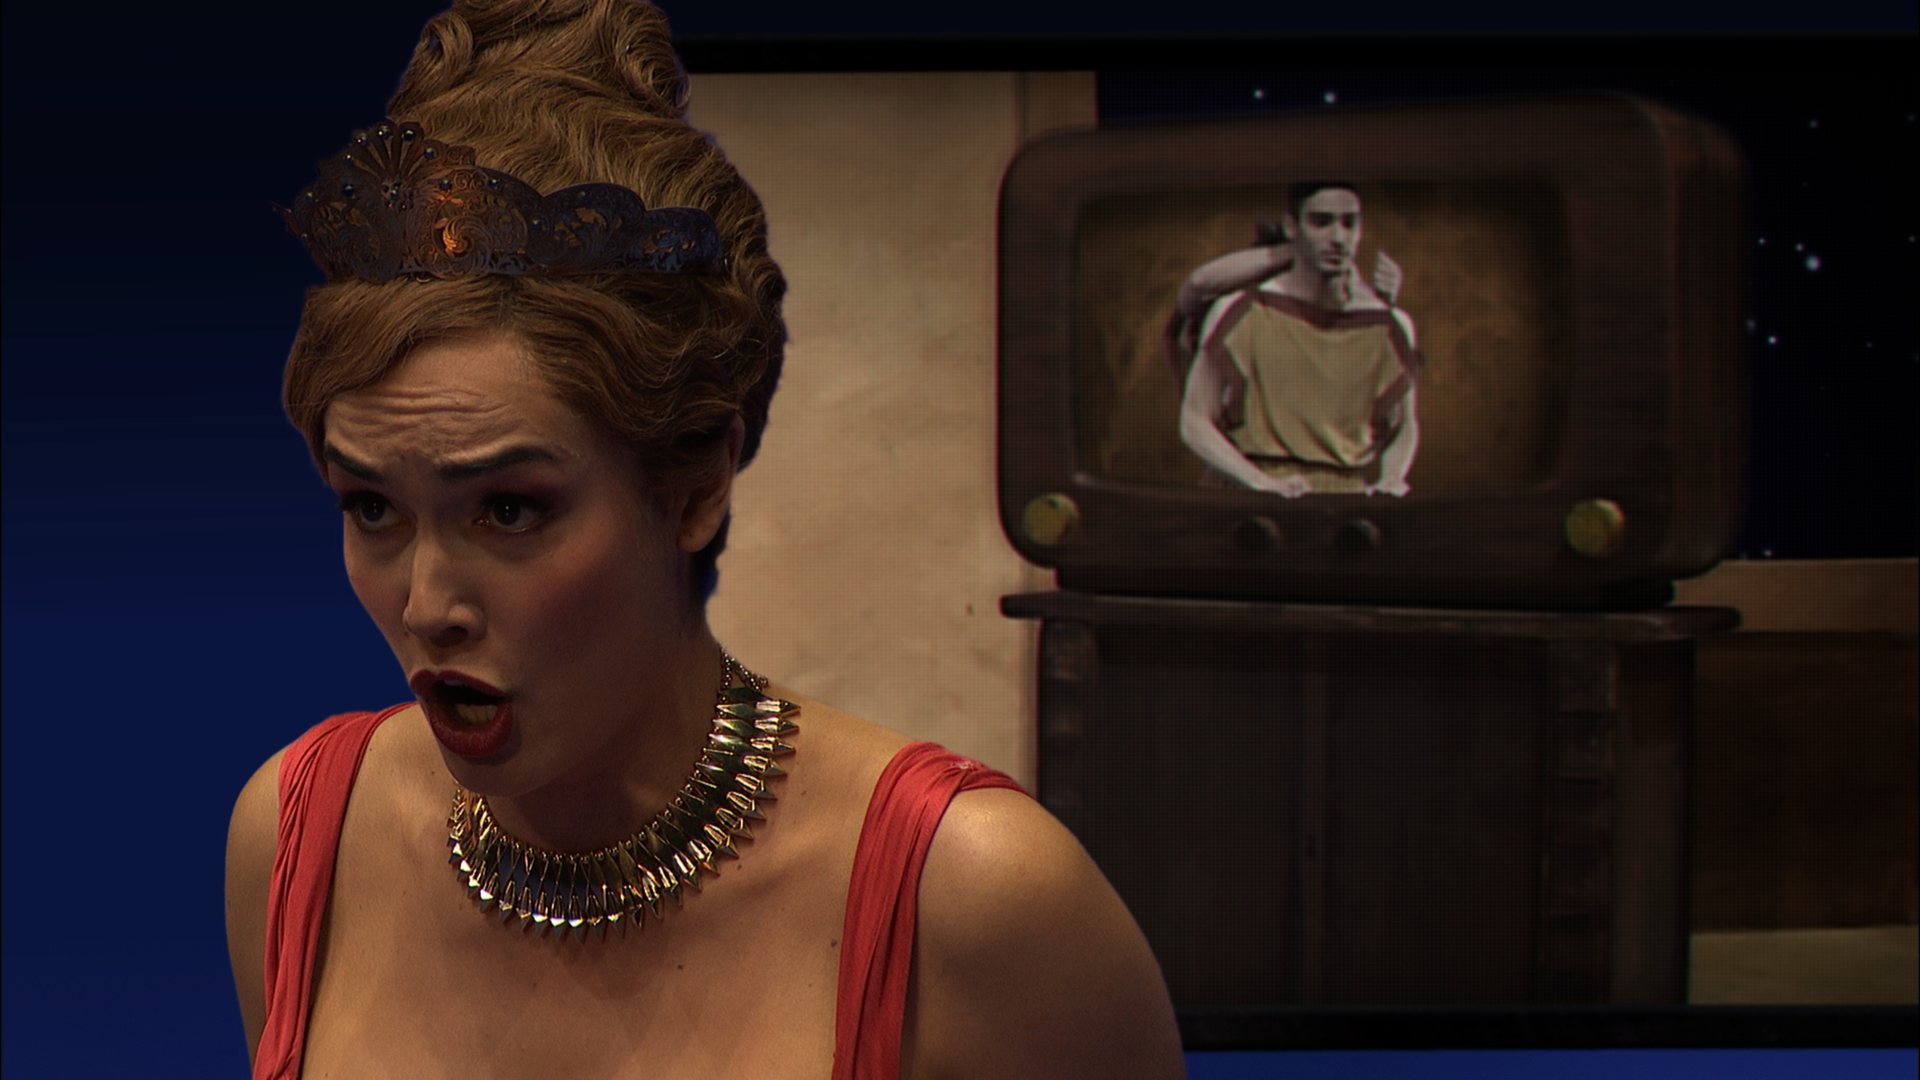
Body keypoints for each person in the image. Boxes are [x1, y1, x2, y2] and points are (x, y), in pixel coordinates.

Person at [223, 2, 1185, 1077]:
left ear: (695, 488)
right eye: (372, 509)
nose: (425, 603)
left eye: (509, 510)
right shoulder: (298, 833)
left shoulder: (978, 902)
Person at [1177, 182, 1423, 497]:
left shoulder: (1388, 323)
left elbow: (1404, 424)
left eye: (1349, 224)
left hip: (1344, 498)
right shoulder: (1243, 310)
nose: (1338, 238)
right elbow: (1195, 420)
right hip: (1250, 493)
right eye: (1321, 222)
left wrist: (1392, 477)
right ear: (1292, 227)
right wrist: (1262, 482)